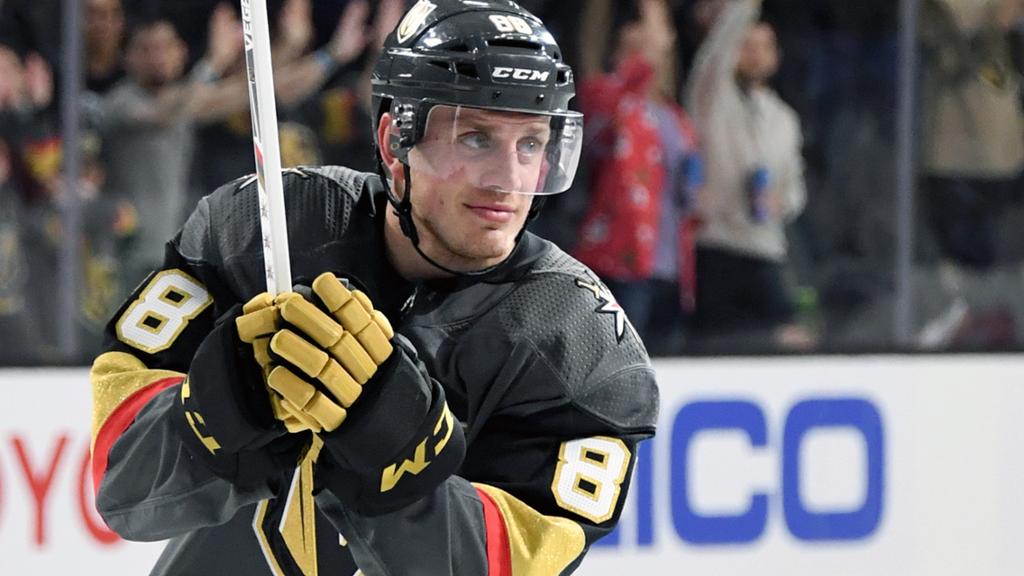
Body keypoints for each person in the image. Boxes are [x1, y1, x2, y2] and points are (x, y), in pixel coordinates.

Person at [89, 2, 659, 575]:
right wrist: (219, 408)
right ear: (394, 142)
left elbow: (503, 567)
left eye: (531, 144)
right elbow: (123, 491)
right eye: (477, 138)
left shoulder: (581, 346)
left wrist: (392, 446)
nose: (508, 179)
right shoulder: (258, 230)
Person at [574, 0, 703, 356]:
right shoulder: (604, 97)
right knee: (622, 366)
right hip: (623, 262)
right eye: (632, 48)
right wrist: (653, 9)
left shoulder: (673, 114)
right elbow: (647, 60)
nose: (645, 54)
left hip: (673, 267)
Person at [684, 0, 812, 349]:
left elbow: (795, 189)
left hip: (766, 249)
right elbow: (713, 58)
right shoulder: (711, 101)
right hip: (716, 247)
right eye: (746, 45)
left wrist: (779, 202)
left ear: (776, 56)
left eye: (764, 47)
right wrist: (742, 8)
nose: (755, 55)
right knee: (718, 346)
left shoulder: (785, 118)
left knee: (791, 339)